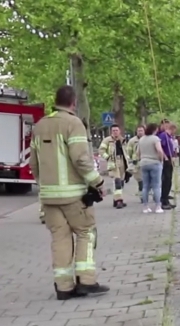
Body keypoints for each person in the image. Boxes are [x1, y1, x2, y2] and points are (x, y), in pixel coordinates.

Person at [31, 85, 110, 301]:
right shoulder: (73, 123)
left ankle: (63, 287)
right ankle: (86, 281)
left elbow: (34, 162)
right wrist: (97, 181)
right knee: (86, 232)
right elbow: (81, 159)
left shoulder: (39, 126)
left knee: (60, 238)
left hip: (48, 196)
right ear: (74, 102)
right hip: (73, 195)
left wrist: (43, 185)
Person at [98, 125, 131, 209]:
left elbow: (126, 151)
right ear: (111, 132)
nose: (115, 132)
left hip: (122, 162)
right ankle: (119, 201)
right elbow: (101, 150)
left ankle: (115, 200)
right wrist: (107, 157)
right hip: (113, 162)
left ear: (119, 131)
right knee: (117, 181)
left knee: (121, 182)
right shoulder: (107, 140)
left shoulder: (122, 140)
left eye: (116, 130)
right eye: (113, 130)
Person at [138, 123, 166, 214]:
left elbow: (138, 152)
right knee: (156, 186)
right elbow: (159, 150)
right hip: (154, 163)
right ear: (154, 130)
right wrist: (161, 160)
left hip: (143, 163)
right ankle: (158, 206)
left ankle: (145, 207)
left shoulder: (141, 139)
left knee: (145, 186)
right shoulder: (155, 139)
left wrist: (141, 160)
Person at [157, 120, 175, 209]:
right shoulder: (163, 136)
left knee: (169, 179)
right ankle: (164, 200)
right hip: (166, 159)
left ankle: (166, 198)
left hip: (169, 158)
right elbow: (160, 147)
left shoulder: (168, 136)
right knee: (166, 179)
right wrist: (165, 157)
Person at [127, 125, 145, 196]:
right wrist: (131, 160)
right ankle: (142, 195)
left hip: (146, 162)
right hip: (137, 163)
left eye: (141, 130)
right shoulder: (132, 141)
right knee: (140, 180)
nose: (140, 132)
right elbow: (128, 152)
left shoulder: (147, 139)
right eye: (138, 131)